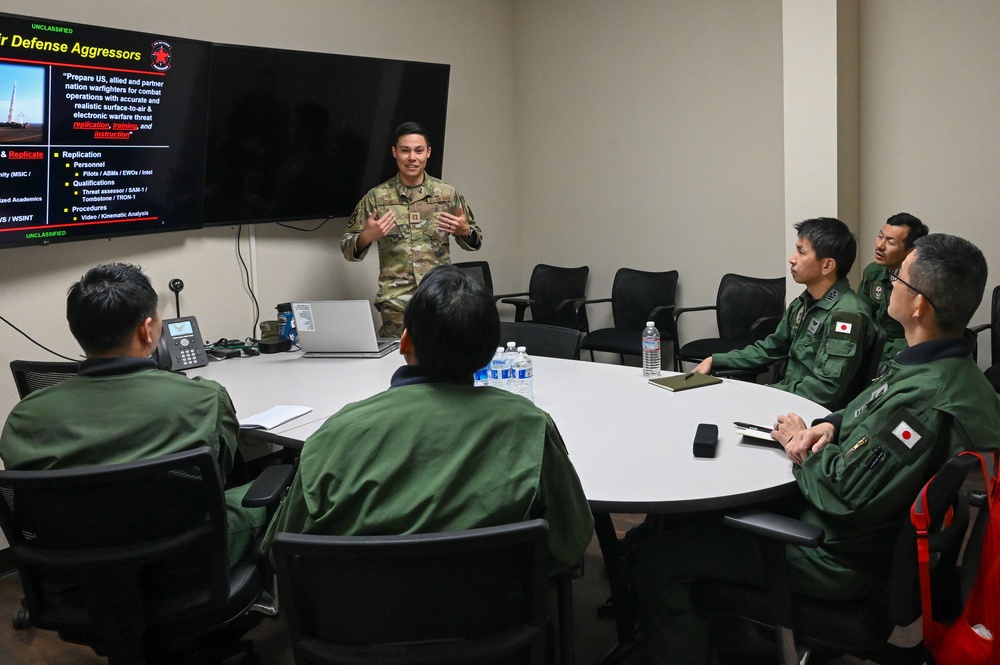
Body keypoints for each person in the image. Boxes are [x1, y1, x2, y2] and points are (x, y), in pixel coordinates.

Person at [631, 233, 1000, 665]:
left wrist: (796, 442)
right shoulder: (945, 369)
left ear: (919, 305)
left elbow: (844, 494)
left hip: (834, 554)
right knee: (684, 520)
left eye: (899, 277)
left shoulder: (925, 399)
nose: (890, 281)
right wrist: (830, 424)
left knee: (659, 561)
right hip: (851, 534)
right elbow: (869, 408)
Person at [265, 264, 593, 573]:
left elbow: (283, 549)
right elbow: (571, 541)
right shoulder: (530, 426)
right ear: (491, 352)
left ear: (404, 340)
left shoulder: (335, 434)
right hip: (494, 619)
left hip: (358, 623)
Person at [0, 263, 265, 570]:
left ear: (75, 329)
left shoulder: (24, 416)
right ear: (146, 328)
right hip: (187, 563)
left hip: (74, 570)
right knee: (276, 485)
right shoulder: (203, 399)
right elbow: (219, 476)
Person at [692, 217, 874, 411]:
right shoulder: (805, 302)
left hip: (811, 415)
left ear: (827, 265)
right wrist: (715, 360)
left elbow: (825, 390)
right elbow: (769, 349)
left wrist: (769, 393)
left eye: (801, 252)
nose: (792, 258)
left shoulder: (846, 314)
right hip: (788, 400)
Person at [340, 121, 483, 338]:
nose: (412, 158)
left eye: (418, 150)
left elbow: (476, 240)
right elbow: (347, 249)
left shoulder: (447, 194)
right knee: (395, 364)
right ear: (395, 152)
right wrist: (367, 236)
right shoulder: (377, 198)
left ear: (428, 153)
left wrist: (465, 232)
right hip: (397, 304)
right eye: (405, 150)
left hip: (440, 299)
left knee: (442, 361)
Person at [858, 212, 929, 366]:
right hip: (872, 346)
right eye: (880, 236)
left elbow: (922, 333)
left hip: (904, 352)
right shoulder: (873, 272)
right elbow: (862, 315)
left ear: (911, 250)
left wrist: (880, 353)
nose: (880, 246)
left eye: (890, 242)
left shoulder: (922, 282)